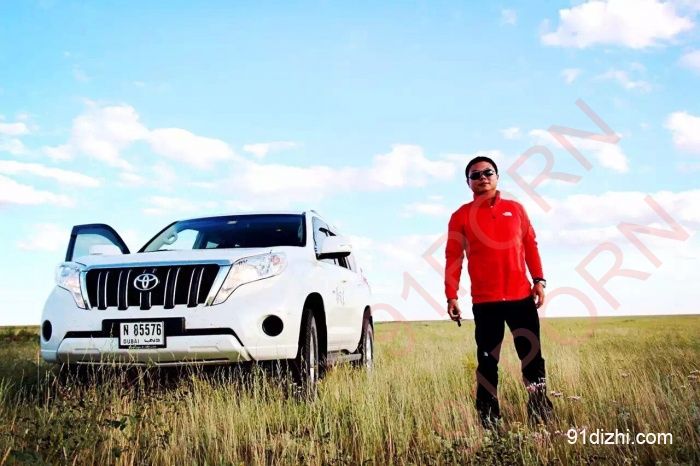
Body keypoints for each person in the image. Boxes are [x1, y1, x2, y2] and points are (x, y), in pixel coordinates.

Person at [444, 155, 553, 428]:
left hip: (521, 299)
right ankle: (489, 419)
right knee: (487, 362)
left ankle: (540, 414)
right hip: (485, 302)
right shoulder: (460, 216)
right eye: (475, 175)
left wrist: (539, 280)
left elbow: (531, 245)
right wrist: (451, 294)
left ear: (497, 177)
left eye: (488, 172)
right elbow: (453, 257)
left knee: (532, 358)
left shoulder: (516, 209)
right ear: (468, 182)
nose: (482, 178)